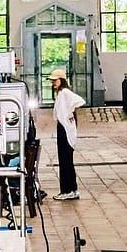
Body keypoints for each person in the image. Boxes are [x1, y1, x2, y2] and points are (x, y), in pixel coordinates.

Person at [49, 71, 84, 199]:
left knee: (65, 161)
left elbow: (79, 101)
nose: (53, 83)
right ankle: (71, 189)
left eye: (55, 80)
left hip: (65, 128)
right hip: (64, 127)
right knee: (66, 161)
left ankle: (67, 190)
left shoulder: (64, 93)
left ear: (61, 80)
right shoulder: (61, 93)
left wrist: (69, 114)